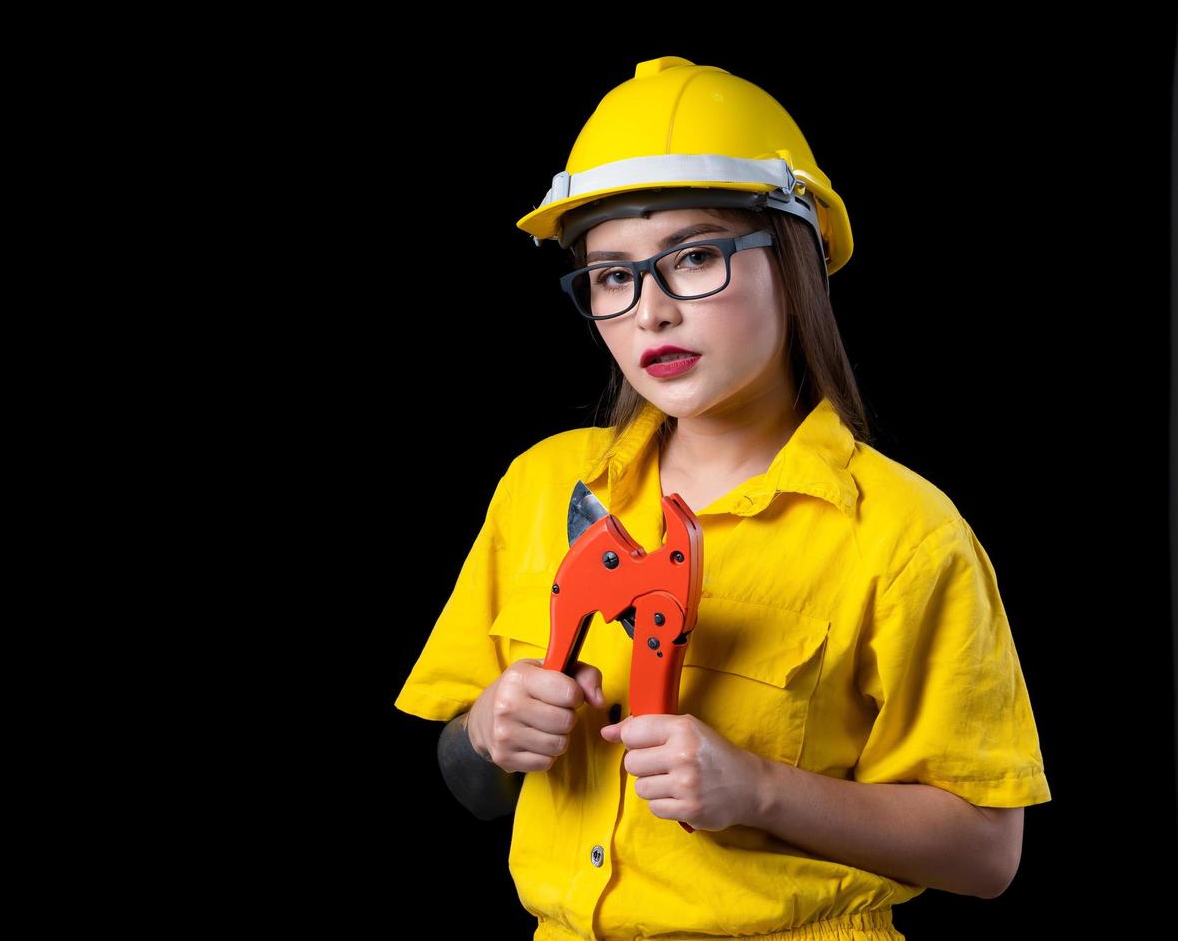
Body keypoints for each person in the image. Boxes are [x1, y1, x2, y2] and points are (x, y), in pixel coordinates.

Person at [393, 56, 1051, 941]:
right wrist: (486, 733)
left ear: (795, 260)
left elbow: (985, 855)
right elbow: (466, 783)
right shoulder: (544, 486)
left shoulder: (905, 534)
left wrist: (759, 789)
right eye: (612, 275)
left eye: (694, 257)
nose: (650, 313)